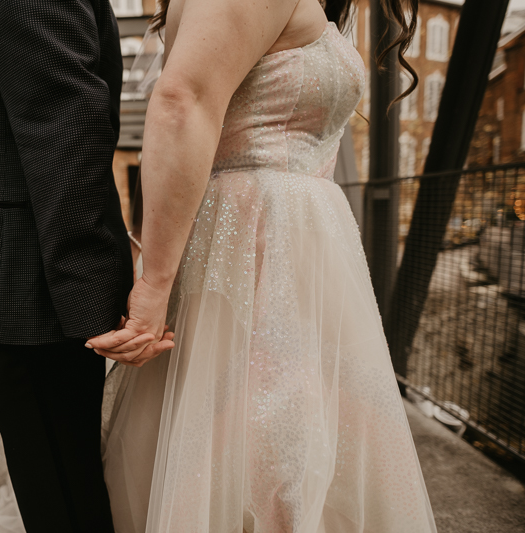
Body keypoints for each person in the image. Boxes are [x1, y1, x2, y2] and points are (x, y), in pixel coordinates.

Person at [89, 0, 439, 531]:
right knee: (266, 451)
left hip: (283, 255)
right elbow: (183, 102)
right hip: (257, 249)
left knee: (275, 447)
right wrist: (153, 288)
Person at [0, 1, 169, 531]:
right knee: (62, 482)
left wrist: (88, 311)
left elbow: (64, 132)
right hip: (28, 276)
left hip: (29, 285)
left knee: (61, 499)